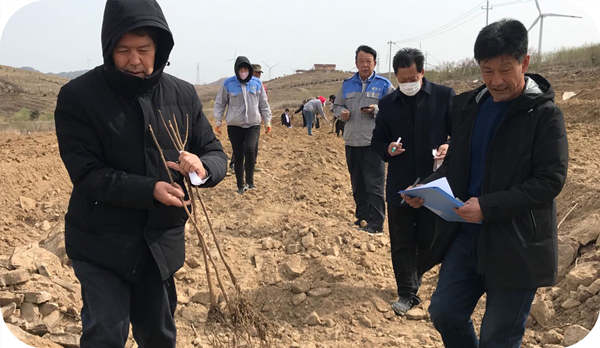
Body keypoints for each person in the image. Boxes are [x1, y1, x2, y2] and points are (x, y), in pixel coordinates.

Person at [53, 1, 228, 347]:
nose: (135, 60)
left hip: (159, 245)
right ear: (109, 49)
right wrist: (150, 189)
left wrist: (202, 168)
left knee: (159, 335)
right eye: (124, 50)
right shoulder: (79, 98)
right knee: (106, 332)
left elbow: (215, 153)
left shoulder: (181, 95)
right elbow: (87, 174)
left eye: (144, 50)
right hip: (101, 241)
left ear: (159, 48)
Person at [402, 19, 568, 348]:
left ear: (525, 62)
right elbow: (458, 165)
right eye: (487, 70)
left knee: (498, 338)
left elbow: (550, 180)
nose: (496, 81)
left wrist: (489, 207)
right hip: (468, 238)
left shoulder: (544, 115)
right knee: (445, 313)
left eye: (505, 69)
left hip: (516, 242)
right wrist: (428, 189)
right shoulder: (469, 108)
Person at [372, 48, 455, 316]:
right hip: (401, 181)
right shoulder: (387, 105)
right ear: (396, 77)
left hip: (435, 182)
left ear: (422, 72)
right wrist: (389, 150)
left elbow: (460, 135)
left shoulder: (444, 97)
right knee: (402, 238)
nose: (408, 83)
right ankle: (407, 293)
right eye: (403, 79)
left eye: (412, 77)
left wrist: (448, 145)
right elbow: (377, 142)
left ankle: (415, 273)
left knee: (433, 239)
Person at [334, 45, 394, 234]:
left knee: (374, 184)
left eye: (368, 61)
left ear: (375, 63)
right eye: (361, 61)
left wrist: (376, 110)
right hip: (352, 141)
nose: (365, 65)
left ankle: (376, 224)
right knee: (357, 183)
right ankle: (362, 218)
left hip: (373, 143)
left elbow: (394, 110)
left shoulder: (384, 85)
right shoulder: (347, 84)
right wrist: (340, 113)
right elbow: (336, 106)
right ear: (356, 63)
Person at [214, 57, 272, 194]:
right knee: (239, 154)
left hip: (253, 124)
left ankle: (250, 182)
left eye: (246, 69)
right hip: (235, 125)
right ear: (237, 70)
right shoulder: (228, 83)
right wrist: (218, 121)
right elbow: (220, 103)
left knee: (250, 149)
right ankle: (240, 185)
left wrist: (267, 121)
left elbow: (263, 104)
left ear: (250, 70)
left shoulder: (257, 83)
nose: (244, 72)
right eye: (241, 69)